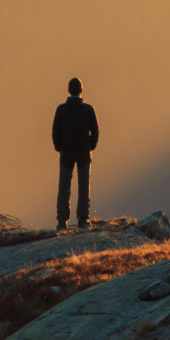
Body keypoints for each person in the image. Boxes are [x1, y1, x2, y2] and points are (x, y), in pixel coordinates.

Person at [51, 77, 99, 230]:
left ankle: (62, 221)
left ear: (68, 90)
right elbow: (95, 130)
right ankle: (83, 220)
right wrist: (91, 145)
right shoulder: (88, 109)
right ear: (81, 90)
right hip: (84, 152)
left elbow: (55, 131)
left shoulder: (61, 109)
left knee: (64, 186)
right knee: (84, 186)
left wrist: (59, 147)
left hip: (66, 152)